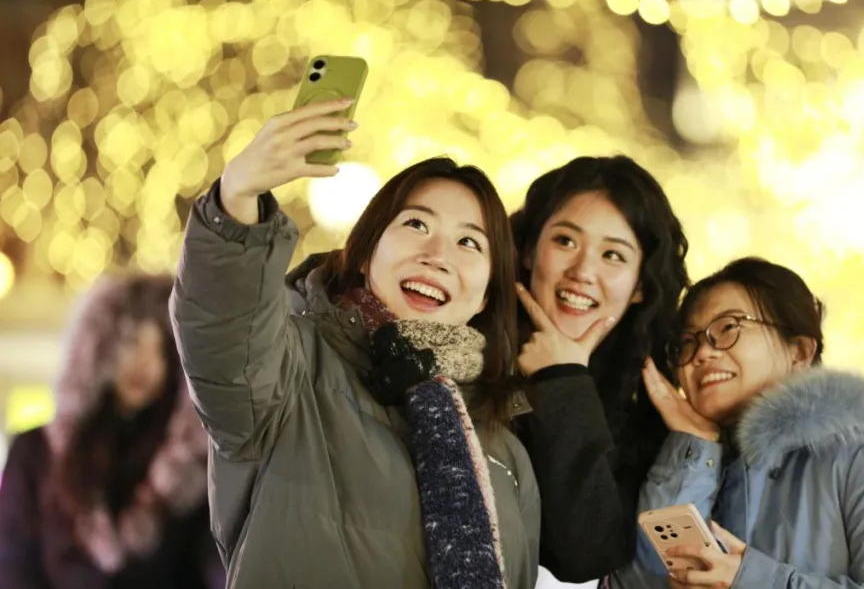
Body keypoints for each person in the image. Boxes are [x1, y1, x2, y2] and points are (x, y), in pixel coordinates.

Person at [169, 97, 539, 588]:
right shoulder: (290, 368)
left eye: (469, 242)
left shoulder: (505, 451)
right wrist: (236, 198)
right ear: (365, 254)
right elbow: (222, 336)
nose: (437, 254)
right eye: (416, 224)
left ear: (486, 294)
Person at [609, 257, 864, 589]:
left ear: (800, 351)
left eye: (728, 327)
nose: (702, 353)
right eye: (687, 342)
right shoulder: (681, 463)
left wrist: (752, 581)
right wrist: (692, 447)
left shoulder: (861, 461)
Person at [511, 155, 690, 581]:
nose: (583, 272)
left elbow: (584, 555)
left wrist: (562, 380)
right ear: (529, 251)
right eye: (565, 241)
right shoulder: (461, 352)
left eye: (613, 255)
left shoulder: (646, 415)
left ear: (640, 286)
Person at [0, 273, 221, 589]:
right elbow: (14, 564)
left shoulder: (194, 465)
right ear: (98, 347)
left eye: (160, 348)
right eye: (130, 343)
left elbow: (212, 568)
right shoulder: (38, 452)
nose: (144, 362)